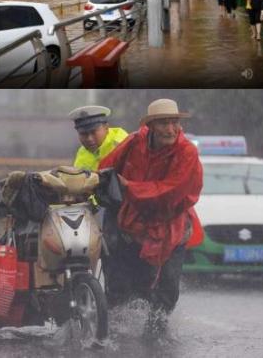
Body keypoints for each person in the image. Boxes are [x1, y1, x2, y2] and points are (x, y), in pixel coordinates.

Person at [98, 99, 202, 339]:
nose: (170, 129)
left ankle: (157, 331)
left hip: (171, 226)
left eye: (174, 122)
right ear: (151, 126)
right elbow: (107, 168)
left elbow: (172, 190)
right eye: (164, 123)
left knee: (168, 288)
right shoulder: (134, 142)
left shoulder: (187, 151)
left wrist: (130, 187)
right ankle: (117, 330)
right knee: (122, 284)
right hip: (132, 223)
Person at [69, 105, 128, 172]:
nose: (89, 139)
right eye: (83, 134)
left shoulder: (122, 143)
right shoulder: (82, 153)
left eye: (93, 132)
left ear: (106, 128)